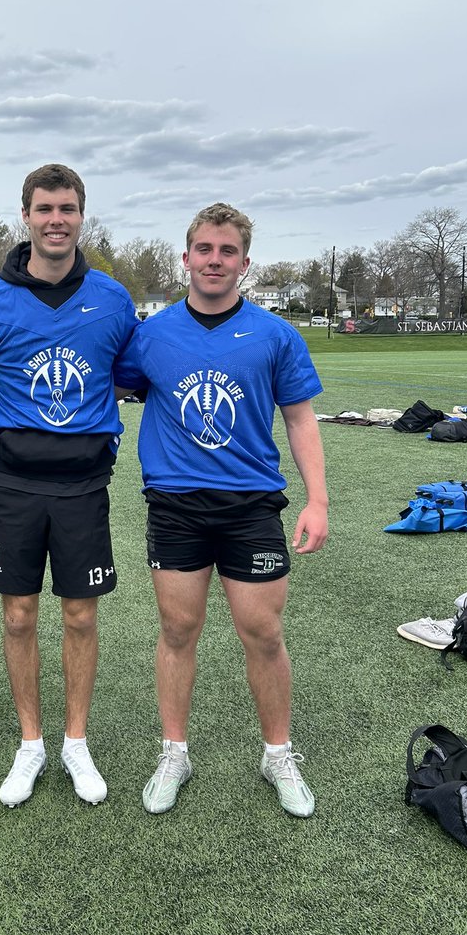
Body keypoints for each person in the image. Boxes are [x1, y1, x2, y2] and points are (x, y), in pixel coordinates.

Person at [114, 203, 329, 817]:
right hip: (175, 505)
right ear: (185, 258)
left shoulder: (274, 334)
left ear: (244, 262)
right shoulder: (150, 335)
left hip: (250, 505)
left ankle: (278, 753)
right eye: (204, 249)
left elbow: (299, 417)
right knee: (179, 630)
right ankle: (174, 752)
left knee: (261, 631)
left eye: (227, 251)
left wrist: (317, 499)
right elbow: (117, 385)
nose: (214, 260)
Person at [0, 164, 138, 808]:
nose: (56, 220)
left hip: (83, 486)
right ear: (26, 216)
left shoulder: (112, 297)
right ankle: (31, 742)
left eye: (67, 208)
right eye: (45, 209)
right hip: (13, 482)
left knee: (79, 612)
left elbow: (132, 371)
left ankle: (75, 741)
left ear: (81, 215)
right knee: (17, 613)